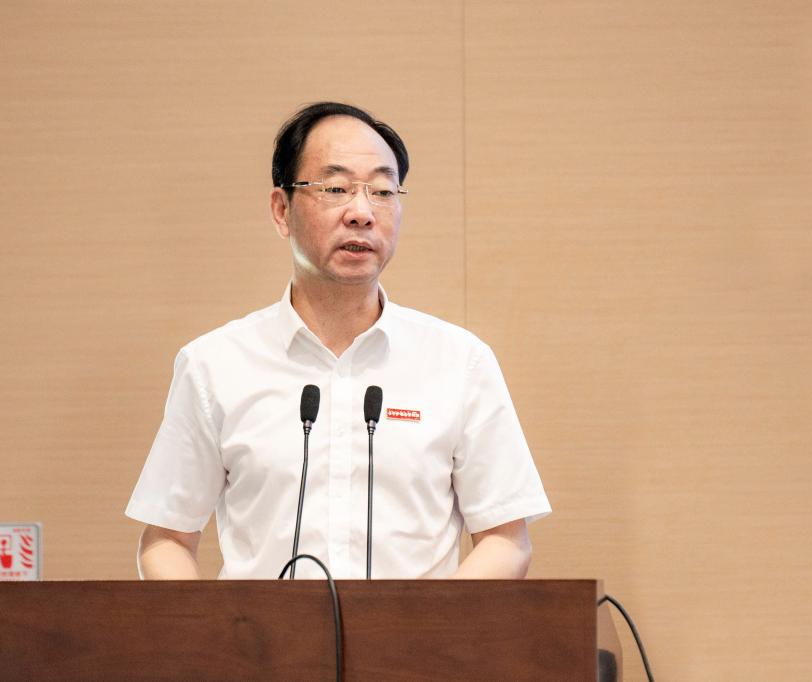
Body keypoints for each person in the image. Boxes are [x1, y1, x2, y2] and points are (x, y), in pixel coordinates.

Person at [126, 102, 550, 580]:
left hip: (415, 633)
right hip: (262, 632)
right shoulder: (214, 365)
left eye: (382, 191)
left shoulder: (460, 362)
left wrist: (432, 624)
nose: (362, 213)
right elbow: (166, 540)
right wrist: (216, 629)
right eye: (335, 189)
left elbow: (505, 538)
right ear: (282, 210)